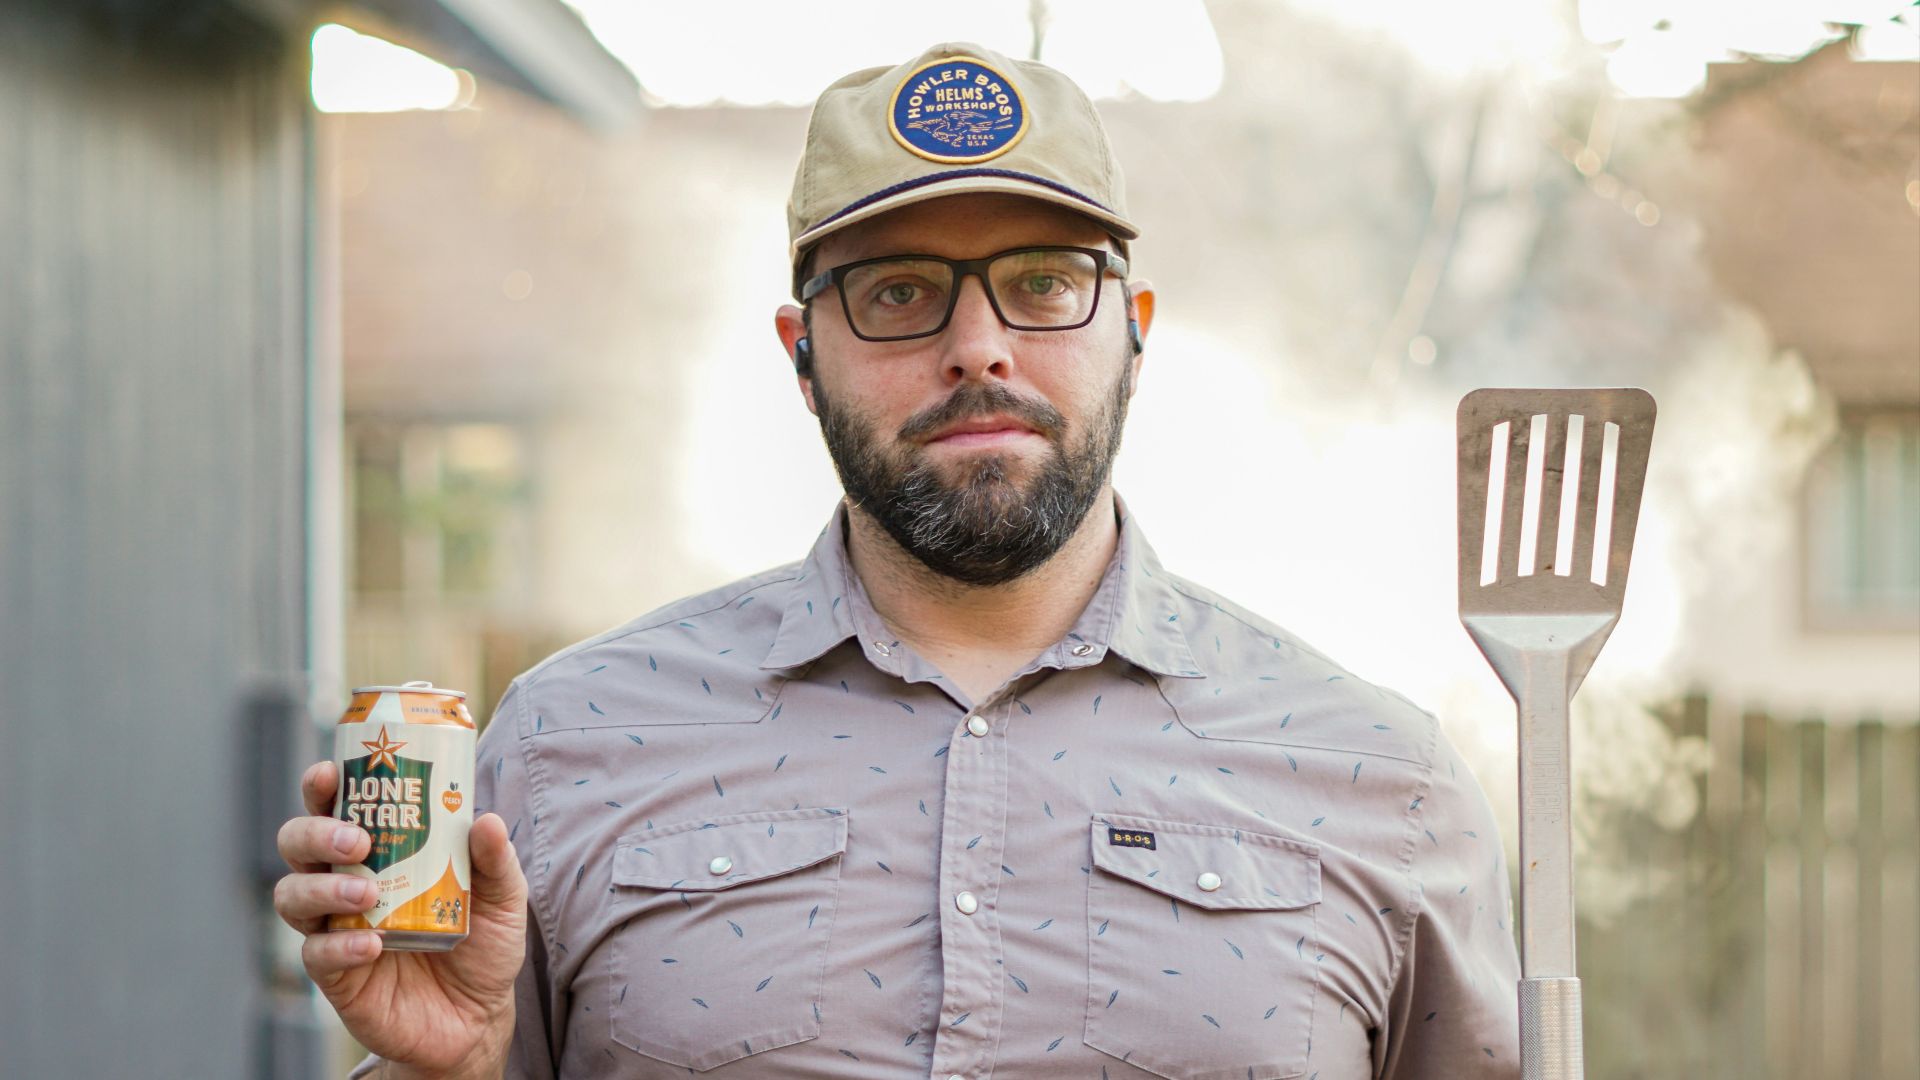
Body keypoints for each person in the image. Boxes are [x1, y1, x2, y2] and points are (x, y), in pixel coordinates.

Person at [276, 41, 1521, 1080]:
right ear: (801, 356)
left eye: (1045, 283)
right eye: (897, 292)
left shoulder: (1387, 785)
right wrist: (443, 1074)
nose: (978, 346)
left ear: (1133, 336)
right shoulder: (563, 748)